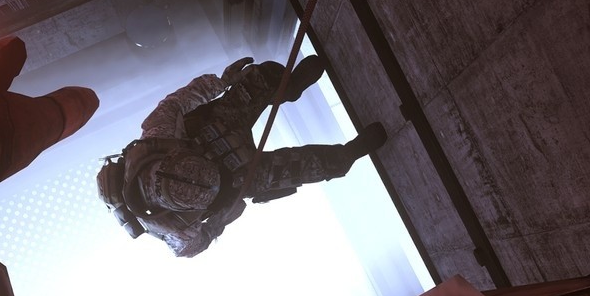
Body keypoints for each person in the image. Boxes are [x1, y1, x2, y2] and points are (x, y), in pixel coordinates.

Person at [97, 56, 387, 257]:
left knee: (262, 77)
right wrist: (221, 220)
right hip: (236, 181)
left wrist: (223, 82)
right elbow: (195, 246)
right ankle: (349, 154)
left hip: (216, 126)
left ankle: (289, 87)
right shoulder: (175, 231)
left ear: (175, 156)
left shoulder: (157, 137)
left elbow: (178, 101)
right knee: (307, 167)